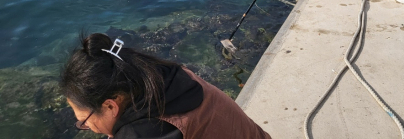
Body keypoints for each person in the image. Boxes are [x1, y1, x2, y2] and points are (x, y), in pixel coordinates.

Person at [61, 33, 271, 139]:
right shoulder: (162, 75)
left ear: (110, 106)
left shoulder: (146, 131)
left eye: (84, 121)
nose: (89, 128)